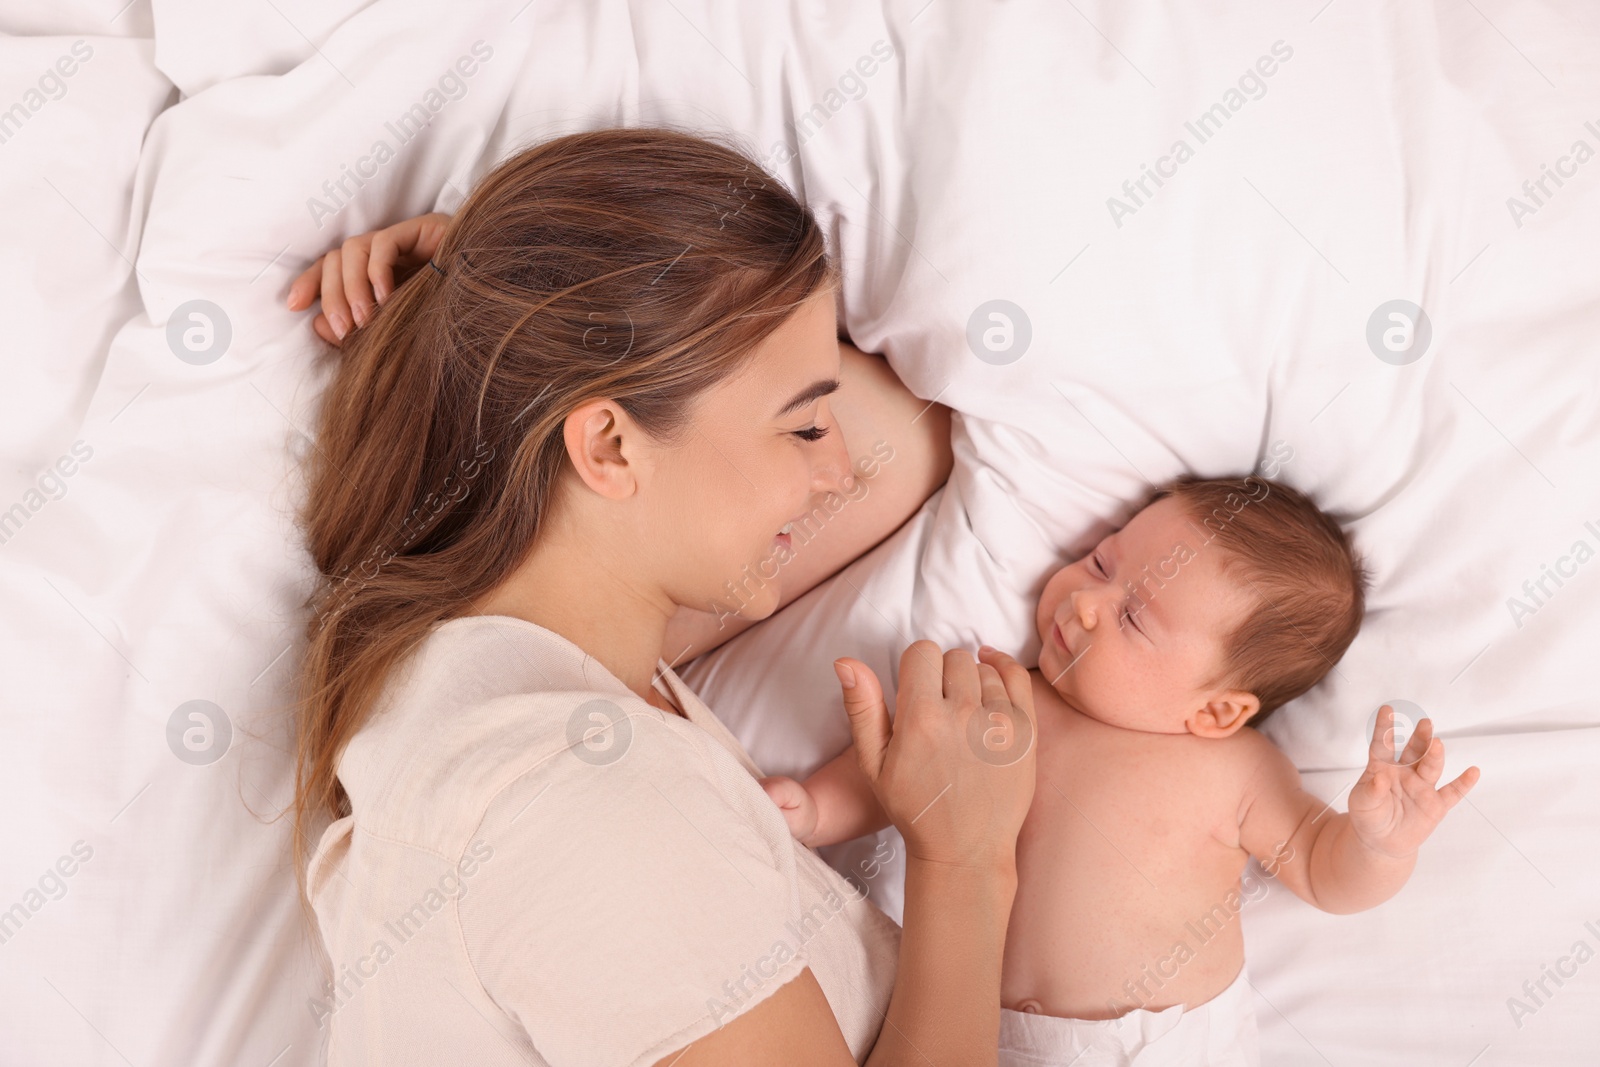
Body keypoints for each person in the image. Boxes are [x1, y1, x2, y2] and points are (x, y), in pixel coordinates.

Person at [286, 127, 1038, 1066]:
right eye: (806, 425)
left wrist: (490, 308)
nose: (838, 462)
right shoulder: (583, 800)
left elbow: (910, 449)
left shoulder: (501, 664)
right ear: (606, 448)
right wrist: (965, 865)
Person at [760, 476, 1482, 1066]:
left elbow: (1327, 872)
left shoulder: (1236, 768)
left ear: (1218, 711)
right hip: (978, 1034)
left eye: (1135, 618)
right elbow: (911, 771)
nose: (1087, 602)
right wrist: (814, 805)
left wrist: (1381, 844)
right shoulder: (1014, 700)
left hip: (1162, 1041)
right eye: (1103, 562)